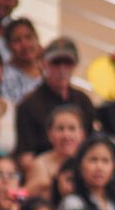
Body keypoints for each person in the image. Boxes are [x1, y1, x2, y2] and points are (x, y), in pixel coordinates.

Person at [16, 37, 96, 167]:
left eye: (67, 62)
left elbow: (92, 144)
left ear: (75, 65)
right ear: (44, 63)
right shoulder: (29, 104)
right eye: (56, 62)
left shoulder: (83, 101)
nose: (62, 68)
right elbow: (25, 156)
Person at [23, 103, 86, 199]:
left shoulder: (88, 161)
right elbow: (26, 197)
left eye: (72, 129)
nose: (66, 135)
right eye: (60, 129)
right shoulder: (40, 165)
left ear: (82, 134)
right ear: (49, 134)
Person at [1, 18, 42, 104]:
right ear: (8, 46)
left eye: (29, 37)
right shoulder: (5, 75)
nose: (25, 45)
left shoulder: (48, 69)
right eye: (17, 40)